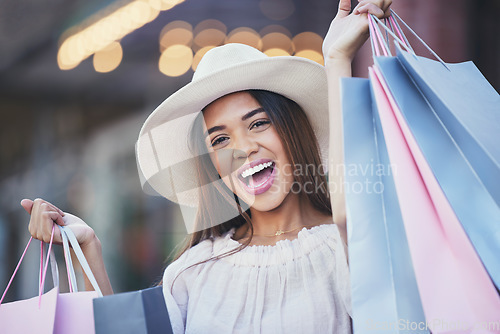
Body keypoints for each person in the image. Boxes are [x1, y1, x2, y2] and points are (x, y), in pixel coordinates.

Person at [20, 0, 392, 332]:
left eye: (259, 123)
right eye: (220, 140)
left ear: (293, 130)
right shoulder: (194, 272)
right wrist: (89, 250)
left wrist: (338, 60)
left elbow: (351, 218)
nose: (243, 148)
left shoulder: (348, 248)